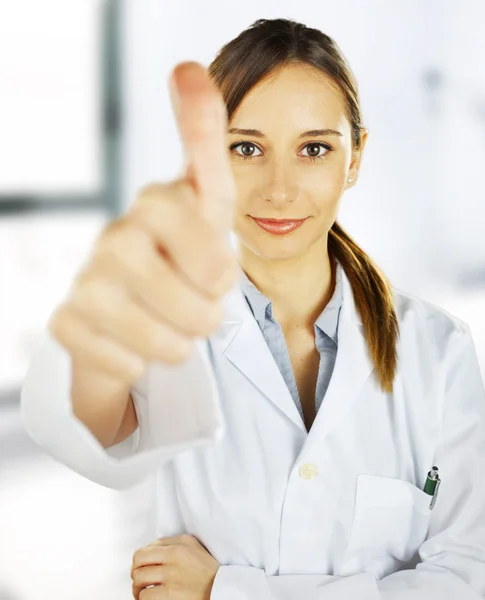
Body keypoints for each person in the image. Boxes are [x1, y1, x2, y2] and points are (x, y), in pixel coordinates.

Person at [21, 17, 485, 600]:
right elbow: (84, 429)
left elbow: (468, 576)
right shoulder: (173, 333)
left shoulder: (440, 352)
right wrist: (94, 338)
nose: (279, 188)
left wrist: (230, 590)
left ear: (356, 158)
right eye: (245, 149)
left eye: (314, 149)